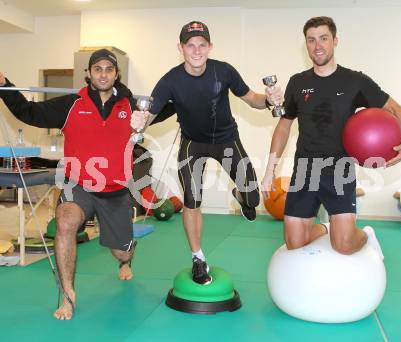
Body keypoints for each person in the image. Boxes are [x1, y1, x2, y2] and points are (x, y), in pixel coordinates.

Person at [0, 49, 173, 320]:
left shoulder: (133, 107)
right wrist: (4, 86)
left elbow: (170, 105)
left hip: (115, 190)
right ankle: (68, 294)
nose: (103, 73)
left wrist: (189, 86)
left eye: (108, 69)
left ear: (116, 74)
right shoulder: (70, 104)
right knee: (66, 221)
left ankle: (128, 256)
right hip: (77, 183)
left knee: (120, 252)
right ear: (89, 73)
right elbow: (29, 112)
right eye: (97, 69)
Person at [262, 16, 401, 259]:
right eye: (311, 40)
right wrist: (270, 169)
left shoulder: (355, 81)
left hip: (339, 170)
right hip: (305, 170)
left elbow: (394, 108)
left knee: (343, 245)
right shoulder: (298, 82)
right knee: (294, 242)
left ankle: (366, 234)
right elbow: (283, 126)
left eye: (323, 38)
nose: (317, 45)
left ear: (335, 41)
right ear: (306, 45)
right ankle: (327, 228)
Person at [146, 21, 282, 285]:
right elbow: (148, 115)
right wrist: (138, 120)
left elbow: (252, 99)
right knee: (191, 201)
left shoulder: (224, 71)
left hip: (227, 140)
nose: (196, 51)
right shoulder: (170, 81)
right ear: (181, 48)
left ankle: (241, 196)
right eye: (190, 45)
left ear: (210, 47)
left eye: (202, 45)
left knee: (254, 200)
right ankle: (198, 258)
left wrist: (269, 99)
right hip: (193, 145)